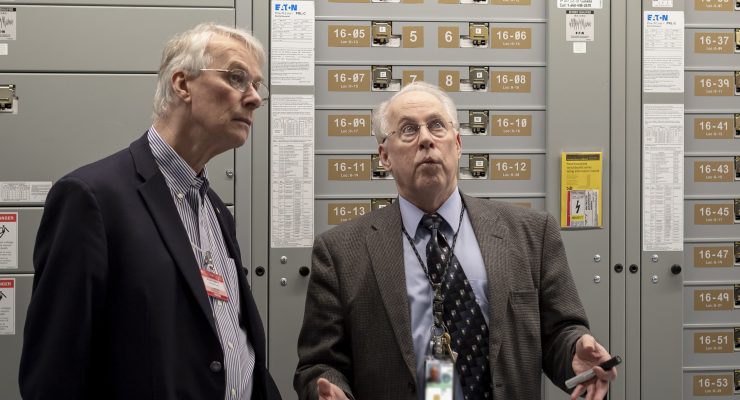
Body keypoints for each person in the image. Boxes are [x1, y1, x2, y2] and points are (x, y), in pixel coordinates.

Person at [294, 81, 617, 400]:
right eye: (408, 130)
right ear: (385, 156)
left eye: (437, 126)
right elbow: (318, 364)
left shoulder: (531, 233)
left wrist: (574, 350)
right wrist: (328, 389)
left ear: (458, 143)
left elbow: (559, 331)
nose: (426, 139)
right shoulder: (340, 252)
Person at [19, 23, 281, 400]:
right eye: (237, 78)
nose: (254, 98)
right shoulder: (92, 199)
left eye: (257, 85)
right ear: (182, 83)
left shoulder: (216, 211)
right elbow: (53, 374)